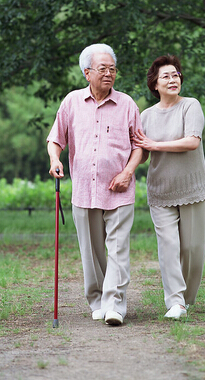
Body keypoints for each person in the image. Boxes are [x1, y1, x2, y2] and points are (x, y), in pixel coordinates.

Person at [47, 43, 143, 326]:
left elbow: (139, 145)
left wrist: (127, 172)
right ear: (86, 72)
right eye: (103, 69)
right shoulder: (72, 102)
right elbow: (56, 139)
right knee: (91, 252)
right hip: (84, 190)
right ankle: (97, 298)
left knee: (118, 248)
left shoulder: (127, 104)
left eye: (113, 69)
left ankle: (115, 304)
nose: (109, 74)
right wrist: (55, 159)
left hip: (120, 190)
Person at [132, 55, 205, 319]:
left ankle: (186, 299)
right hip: (160, 191)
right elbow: (141, 153)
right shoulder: (145, 116)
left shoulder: (191, 106)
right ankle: (175, 302)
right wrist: (125, 168)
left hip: (192, 189)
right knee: (168, 247)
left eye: (175, 75)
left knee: (192, 250)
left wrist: (154, 145)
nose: (172, 79)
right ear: (154, 84)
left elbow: (192, 142)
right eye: (166, 76)